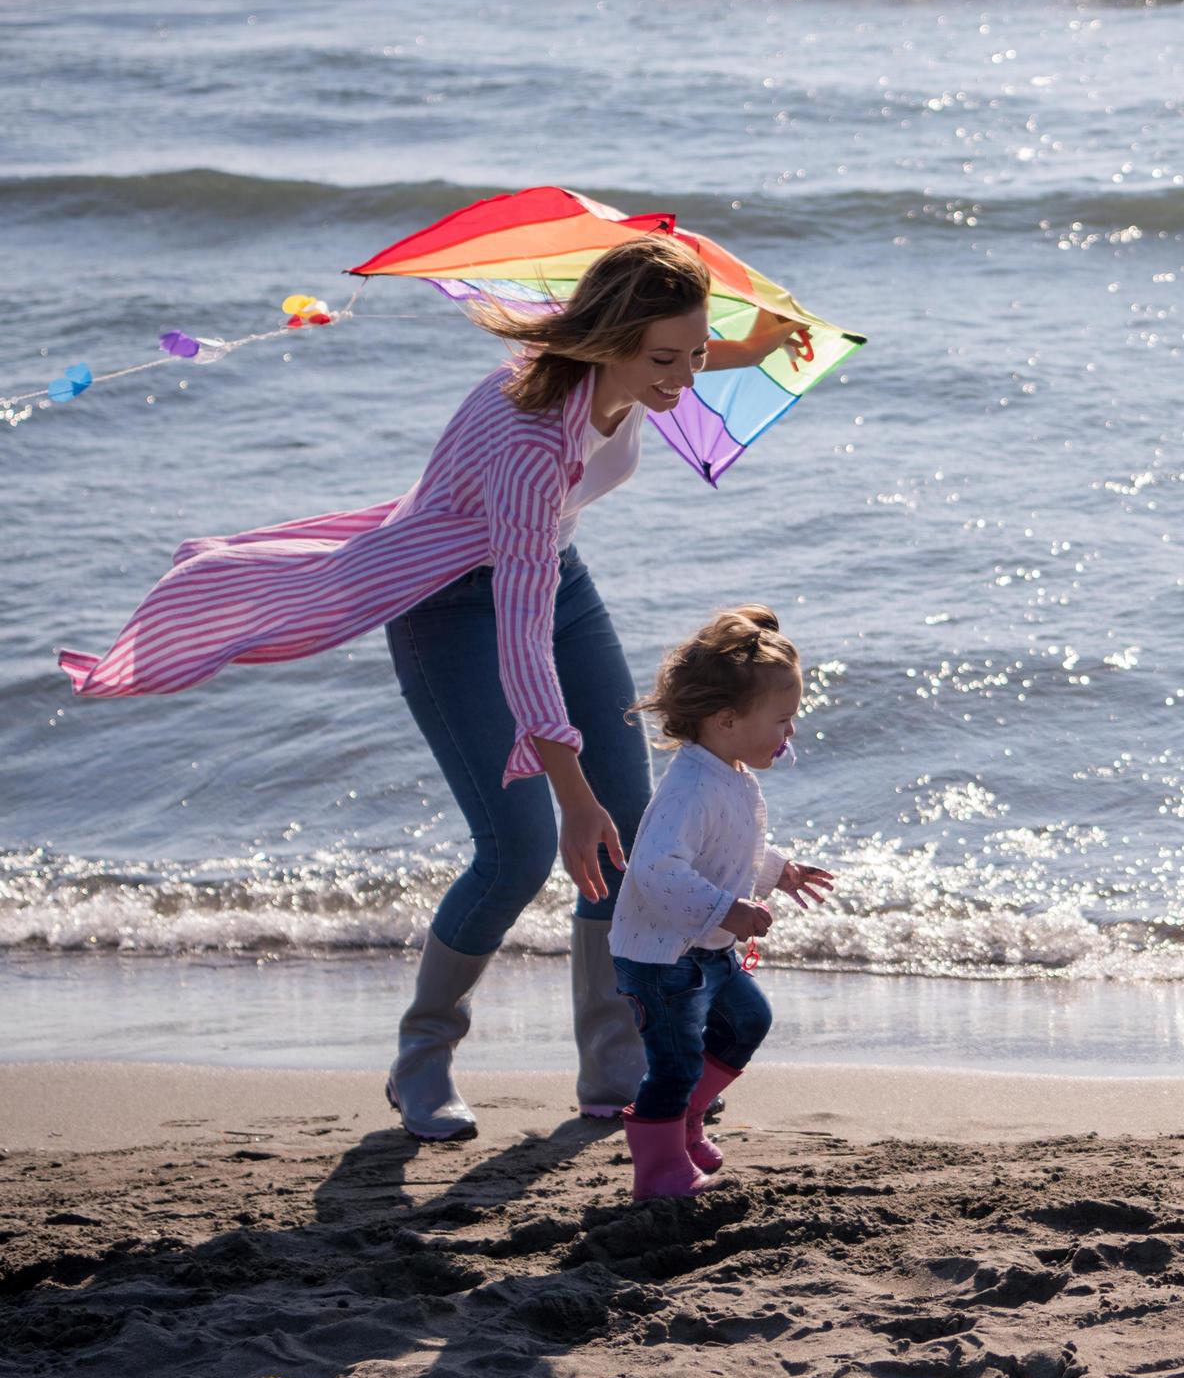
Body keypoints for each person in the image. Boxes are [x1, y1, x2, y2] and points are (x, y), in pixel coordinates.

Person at [58, 234, 813, 1141]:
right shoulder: (534, 439)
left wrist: (758, 343)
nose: (686, 377)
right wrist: (567, 793)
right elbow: (519, 639)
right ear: (608, 340)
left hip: (553, 576)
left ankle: (615, 1066)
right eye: (666, 358)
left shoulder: (629, 367)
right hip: (449, 601)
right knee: (523, 850)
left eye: (696, 352)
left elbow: (555, 568)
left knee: (627, 826)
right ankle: (422, 1059)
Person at [609, 605, 832, 1200]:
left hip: (702, 947)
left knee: (748, 1021)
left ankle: (684, 1123)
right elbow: (656, 870)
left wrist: (779, 871)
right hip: (661, 957)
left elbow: (729, 850)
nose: (789, 735)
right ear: (727, 719)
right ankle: (659, 1173)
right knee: (675, 1062)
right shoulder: (689, 786)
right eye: (782, 721)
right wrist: (727, 911)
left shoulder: (728, 771)